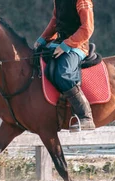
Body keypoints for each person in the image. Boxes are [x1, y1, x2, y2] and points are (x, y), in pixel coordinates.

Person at [34, 0, 95, 131]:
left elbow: (87, 29)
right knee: (37, 63)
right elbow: (56, 21)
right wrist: (42, 39)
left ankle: (86, 116)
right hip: (59, 42)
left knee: (64, 74)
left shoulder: (82, 1)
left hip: (78, 45)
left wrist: (67, 44)